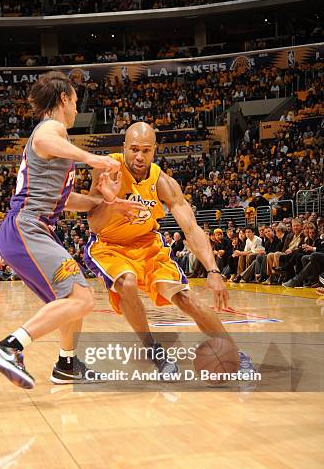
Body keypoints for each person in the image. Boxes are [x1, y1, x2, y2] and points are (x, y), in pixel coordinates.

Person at [0, 72, 140, 389]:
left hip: (32, 228)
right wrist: (93, 158)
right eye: (75, 101)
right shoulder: (52, 130)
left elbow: (67, 201)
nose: (76, 109)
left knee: (73, 296)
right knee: (82, 298)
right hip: (28, 226)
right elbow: (42, 139)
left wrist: (108, 203)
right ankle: (8, 347)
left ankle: (67, 364)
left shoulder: (59, 142)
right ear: (64, 98)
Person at [84, 122, 246, 376]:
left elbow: (191, 228)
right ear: (124, 147)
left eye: (146, 151)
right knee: (126, 282)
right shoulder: (107, 170)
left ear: (155, 151)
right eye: (134, 149)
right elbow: (94, 224)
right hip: (110, 245)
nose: (139, 156)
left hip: (148, 244)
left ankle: (234, 352)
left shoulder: (163, 182)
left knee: (185, 297)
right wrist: (111, 201)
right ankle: (153, 350)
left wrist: (213, 271)